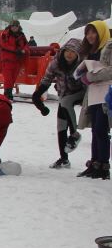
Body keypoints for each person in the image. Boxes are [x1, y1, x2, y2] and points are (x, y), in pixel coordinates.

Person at [32, 38, 85, 169]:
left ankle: (74, 134)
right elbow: (47, 79)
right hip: (64, 93)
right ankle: (64, 158)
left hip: (82, 92)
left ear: (78, 54)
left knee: (66, 101)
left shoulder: (82, 64)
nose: (69, 54)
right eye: (67, 51)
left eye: (73, 52)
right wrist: (38, 94)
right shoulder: (56, 62)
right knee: (61, 124)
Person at [73, 20, 112, 179]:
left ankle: (103, 166)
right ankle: (95, 163)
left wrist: (91, 76)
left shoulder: (109, 47)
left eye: (93, 32)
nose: (90, 36)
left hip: (106, 92)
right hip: (94, 93)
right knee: (95, 129)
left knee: (101, 129)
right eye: (87, 33)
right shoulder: (90, 51)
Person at [0, 21, 27, 100]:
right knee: (8, 79)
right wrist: (15, 50)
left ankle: (7, 95)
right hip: (7, 59)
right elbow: (4, 45)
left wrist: (24, 50)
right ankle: (8, 95)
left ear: (19, 27)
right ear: (10, 27)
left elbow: (26, 45)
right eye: (13, 26)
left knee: (13, 78)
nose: (15, 27)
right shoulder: (5, 34)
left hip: (17, 60)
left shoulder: (22, 36)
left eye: (16, 26)